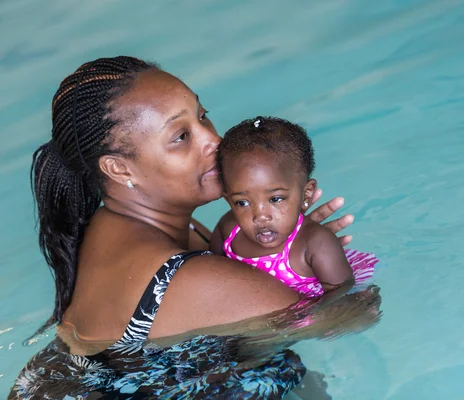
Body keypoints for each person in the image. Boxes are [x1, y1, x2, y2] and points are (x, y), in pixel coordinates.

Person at [9, 56, 380, 399]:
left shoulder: (116, 225)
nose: (214, 142)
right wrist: (316, 265)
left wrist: (279, 245)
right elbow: (352, 316)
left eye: (202, 116)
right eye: (181, 137)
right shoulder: (194, 278)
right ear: (119, 169)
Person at [211, 116, 378, 297]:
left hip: (313, 311)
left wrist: (296, 317)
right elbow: (212, 275)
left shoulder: (316, 244)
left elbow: (342, 297)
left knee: (363, 308)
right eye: (242, 203)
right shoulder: (228, 229)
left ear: (306, 194)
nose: (260, 215)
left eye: (275, 199)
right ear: (228, 200)